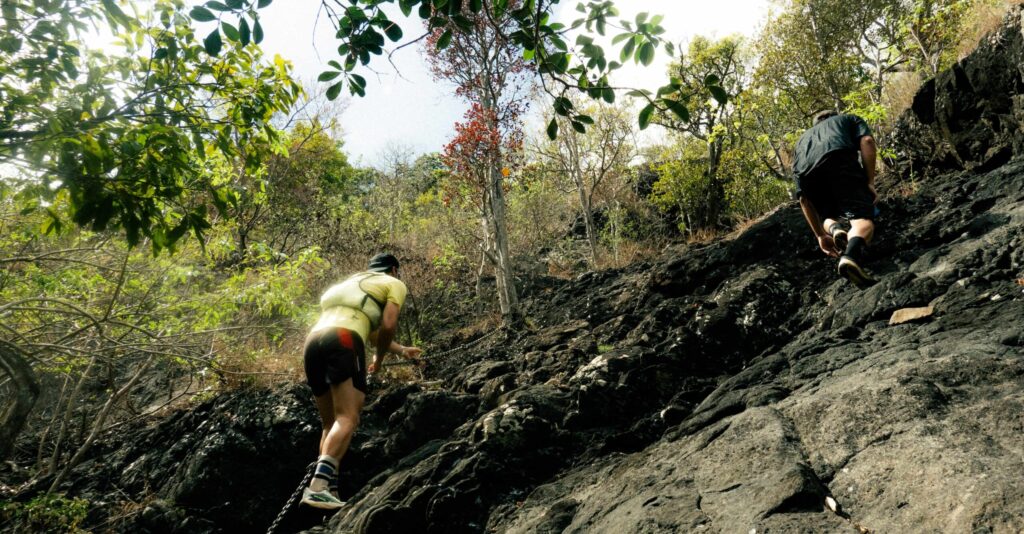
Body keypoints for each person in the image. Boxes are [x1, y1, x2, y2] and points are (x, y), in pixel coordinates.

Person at [299, 253, 422, 509]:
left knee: (330, 423)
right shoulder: (393, 283)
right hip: (344, 340)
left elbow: (372, 330)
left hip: (313, 342)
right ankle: (318, 487)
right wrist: (378, 360)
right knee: (348, 417)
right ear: (393, 270)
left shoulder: (349, 284)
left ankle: (328, 486)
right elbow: (388, 326)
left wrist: (401, 351)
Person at [792, 110, 879, 288]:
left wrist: (820, 236)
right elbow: (867, 141)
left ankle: (835, 228)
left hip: (808, 175)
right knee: (862, 221)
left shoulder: (801, 142)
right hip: (839, 161)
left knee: (827, 214)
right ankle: (850, 257)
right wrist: (870, 181)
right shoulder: (848, 119)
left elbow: (804, 200)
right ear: (835, 116)